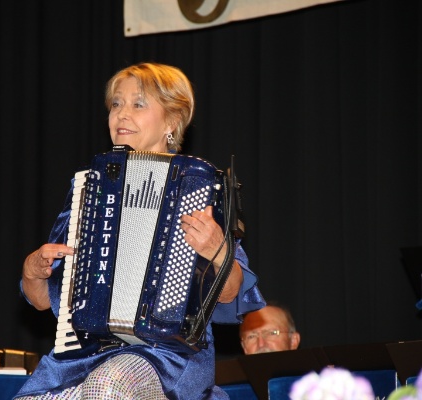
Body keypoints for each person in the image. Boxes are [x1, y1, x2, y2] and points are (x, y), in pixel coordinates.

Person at [15, 62, 265, 400]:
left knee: (106, 387)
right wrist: (32, 271)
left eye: (138, 104)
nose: (122, 114)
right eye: (116, 104)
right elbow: (43, 300)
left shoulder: (198, 187)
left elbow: (232, 293)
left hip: (167, 357)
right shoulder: (90, 188)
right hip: (84, 355)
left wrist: (218, 251)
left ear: (172, 121)